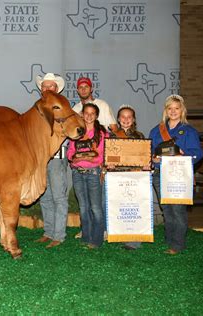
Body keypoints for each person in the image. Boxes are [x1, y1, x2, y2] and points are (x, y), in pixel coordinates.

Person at [149, 94, 203, 254]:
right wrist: (153, 159)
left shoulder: (189, 131)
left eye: (176, 108)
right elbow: (149, 152)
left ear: (182, 110)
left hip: (179, 175)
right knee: (166, 208)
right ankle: (170, 238)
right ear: (166, 110)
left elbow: (197, 153)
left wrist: (182, 154)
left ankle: (177, 244)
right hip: (160, 173)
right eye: (170, 108)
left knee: (178, 209)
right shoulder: (156, 130)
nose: (173, 111)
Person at [73, 77, 116, 239]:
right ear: (77, 90)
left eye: (86, 87)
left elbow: (113, 129)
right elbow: (72, 142)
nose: (83, 90)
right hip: (81, 167)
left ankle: (102, 231)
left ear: (91, 89)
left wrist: (104, 160)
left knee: (99, 201)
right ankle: (87, 230)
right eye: (80, 87)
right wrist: (75, 159)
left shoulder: (103, 105)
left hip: (100, 160)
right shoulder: (76, 108)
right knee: (85, 204)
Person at [34, 73, 69, 248]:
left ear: (57, 89)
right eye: (44, 86)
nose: (47, 89)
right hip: (40, 158)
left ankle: (59, 235)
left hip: (56, 156)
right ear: (41, 90)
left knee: (58, 196)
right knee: (45, 197)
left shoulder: (62, 107)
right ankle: (48, 232)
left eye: (51, 86)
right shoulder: (37, 108)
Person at [67, 103, 107, 249]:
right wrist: (73, 159)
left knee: (95, 207)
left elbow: (103, 155)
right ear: (82, 114)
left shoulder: (101, 133)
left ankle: (96, 240)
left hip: (94, 172)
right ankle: (86, 236)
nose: (89, 116)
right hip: (78, 173)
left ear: (96, 116)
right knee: (83, 207)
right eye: (86, 113)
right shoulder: (77, 131)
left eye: (92, 113)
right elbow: (70, 151)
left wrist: (90, 160)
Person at [107, 105, 147, 250]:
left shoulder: (140, 136)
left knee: (134, 208)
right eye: (123, 117)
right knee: (119, 208)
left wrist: (145, 164)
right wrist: (109, 165)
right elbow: (110, 157)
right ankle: (121, 236)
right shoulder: (111, 137)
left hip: (135, 177)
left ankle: (134, 241)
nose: (126, 119)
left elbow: (144, 157)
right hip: (117, 177)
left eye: (129, 117)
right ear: (118, 119)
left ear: (133, 119)